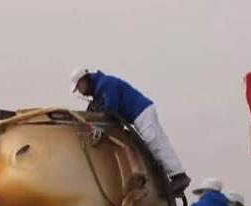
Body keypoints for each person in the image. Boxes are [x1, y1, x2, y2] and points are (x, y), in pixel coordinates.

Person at [70, 68, 190, 196]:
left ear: (85, 80)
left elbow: (111, 112)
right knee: (151, 145)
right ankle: (169, 177)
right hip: (138, 115)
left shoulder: (106, 84)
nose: (81, 92)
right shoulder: (101, 89)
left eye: (79, 87)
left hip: (141, 112)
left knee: (154, 142)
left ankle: (179, 176)